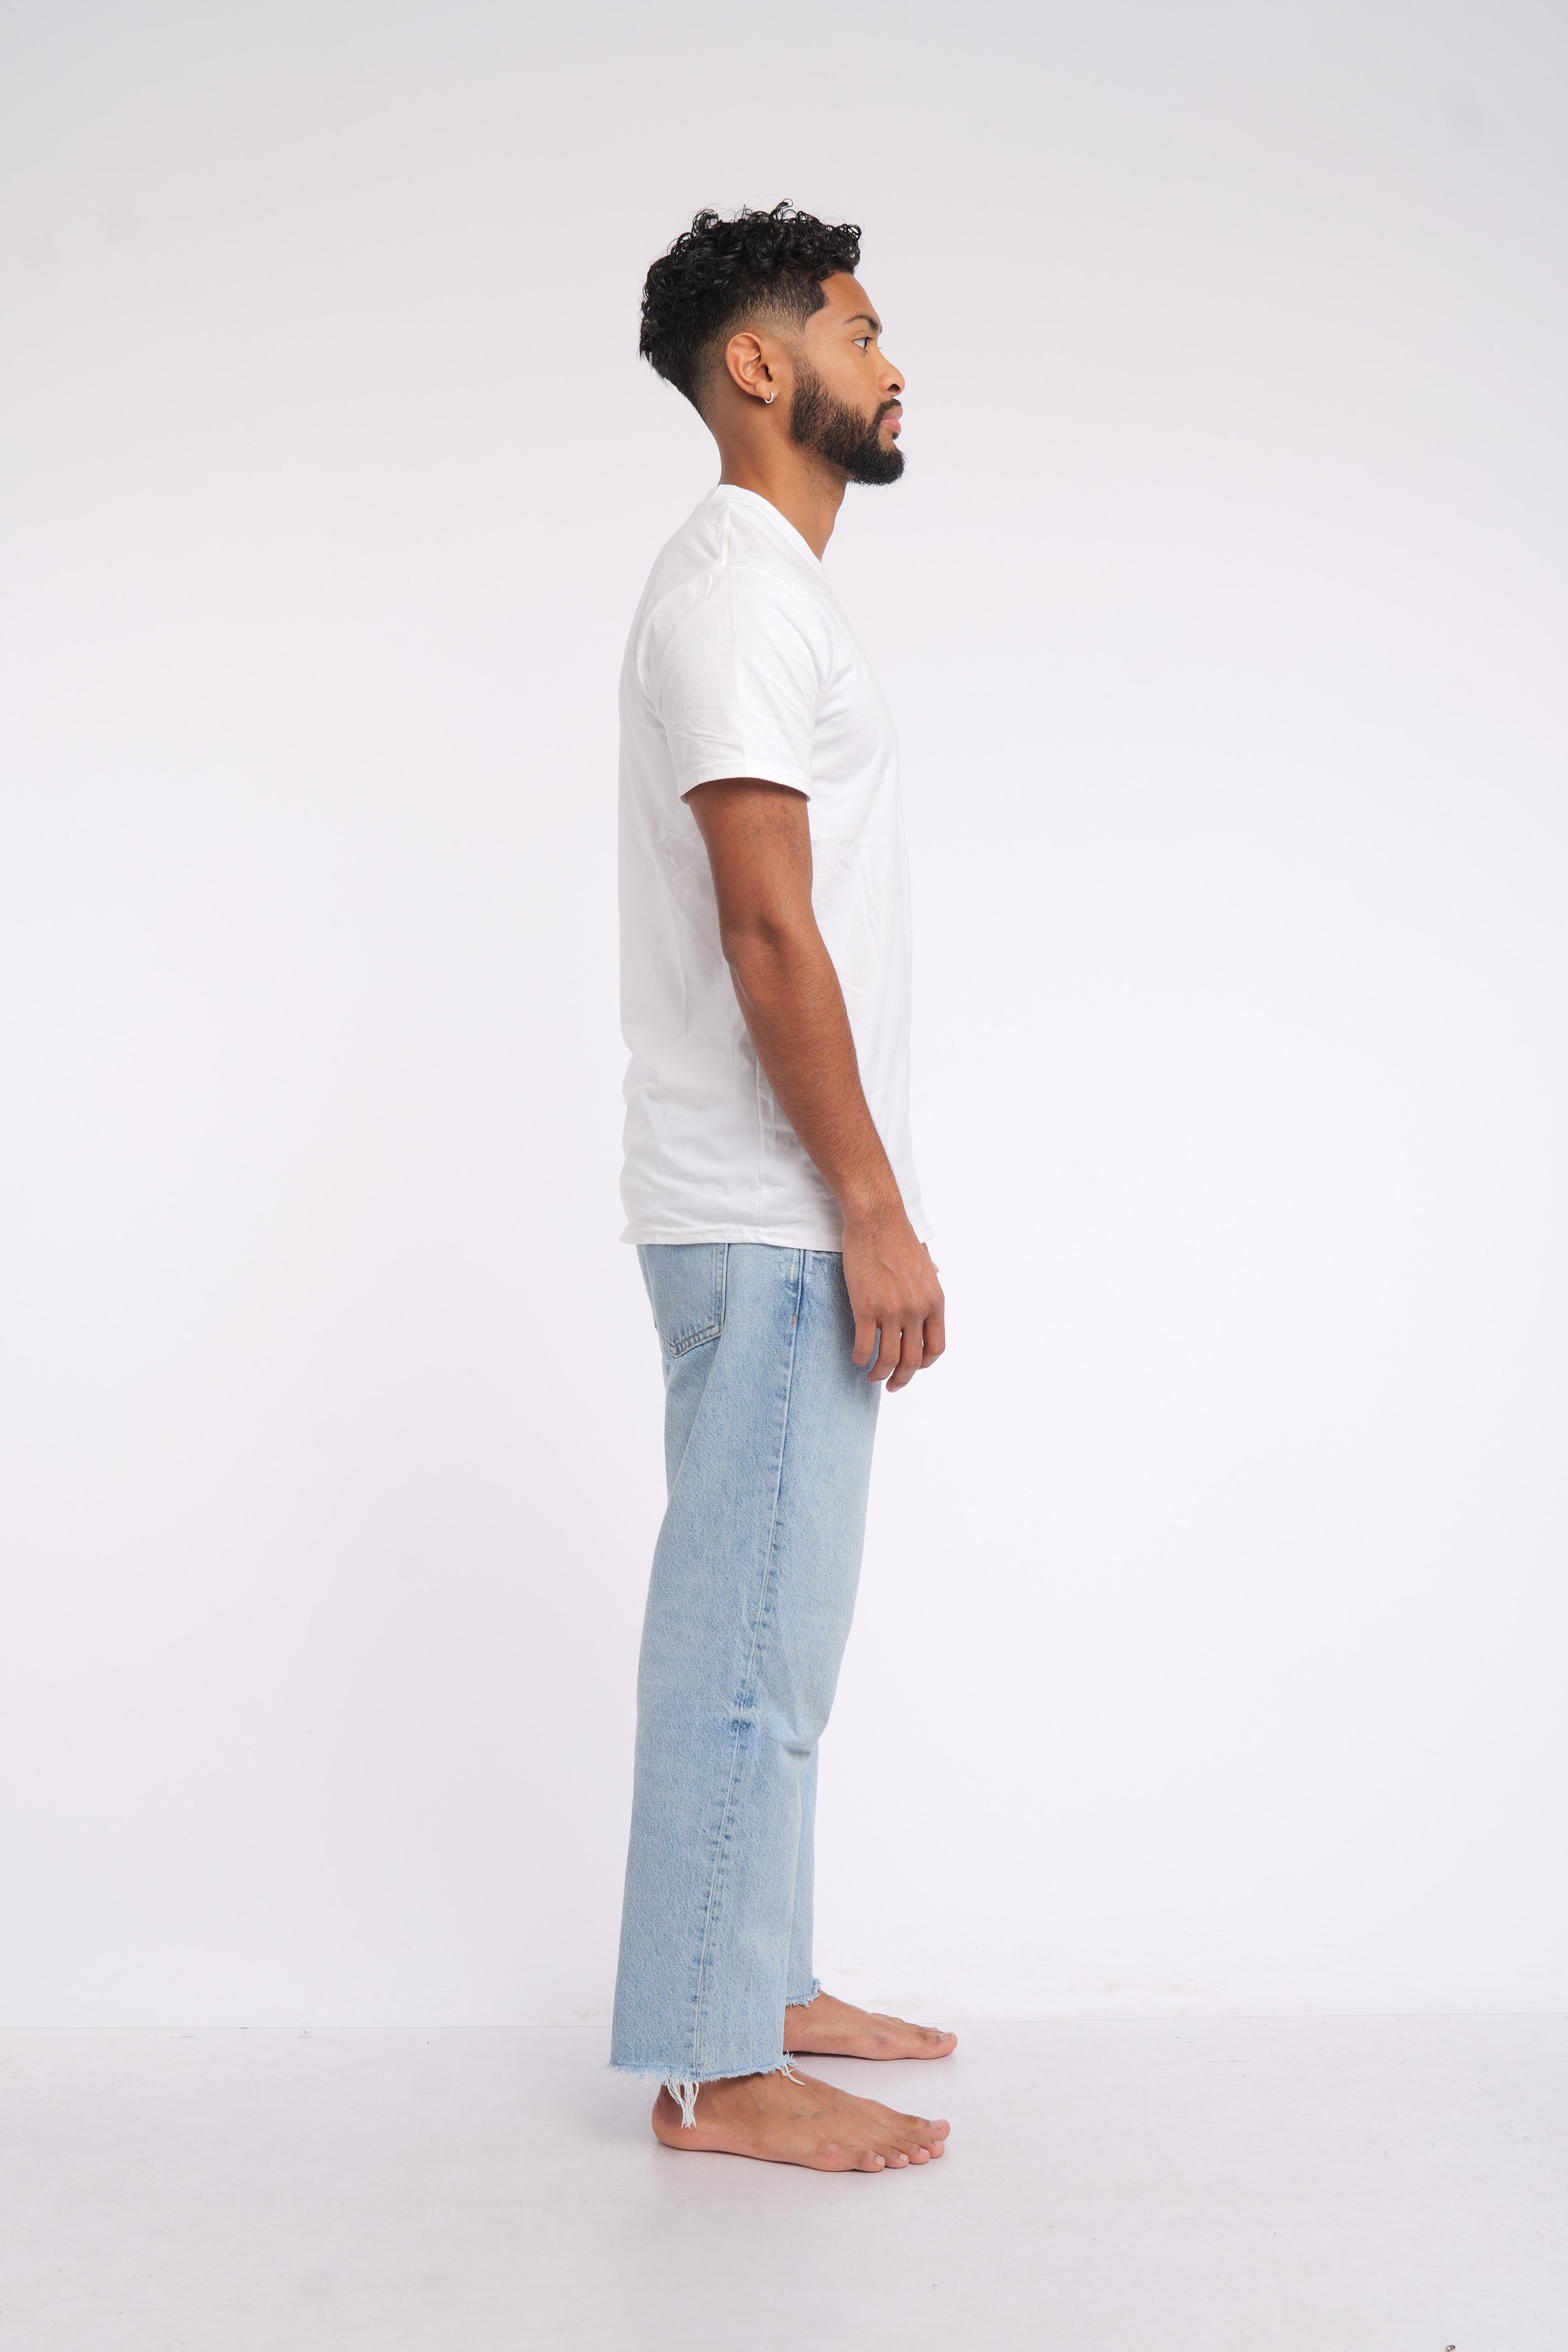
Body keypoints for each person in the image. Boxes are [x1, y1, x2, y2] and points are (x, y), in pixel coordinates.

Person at [612, 203, 953, 2175]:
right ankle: (713, 2064)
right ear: (762, 368)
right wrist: (870, 1205)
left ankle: (764, 1973)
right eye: (859, 325)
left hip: (770, 1199)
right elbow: (765, 931)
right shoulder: (737, 595)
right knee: (743, 1628)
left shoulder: (772, 592)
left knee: (780, 1621)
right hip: (764, 1203)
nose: (893, 363)